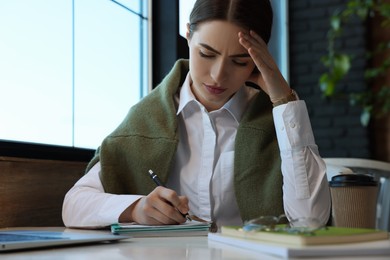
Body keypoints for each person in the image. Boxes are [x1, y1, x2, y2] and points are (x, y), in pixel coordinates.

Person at [62, 0, 331, 230]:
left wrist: (284, 99)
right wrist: (135, 208)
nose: (218, 76)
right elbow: (74, 205)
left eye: (240, 61)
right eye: (206, 53)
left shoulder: (277, 123)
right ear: (188, 35)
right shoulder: (147, 118)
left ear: (260, 59)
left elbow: (310, 220)